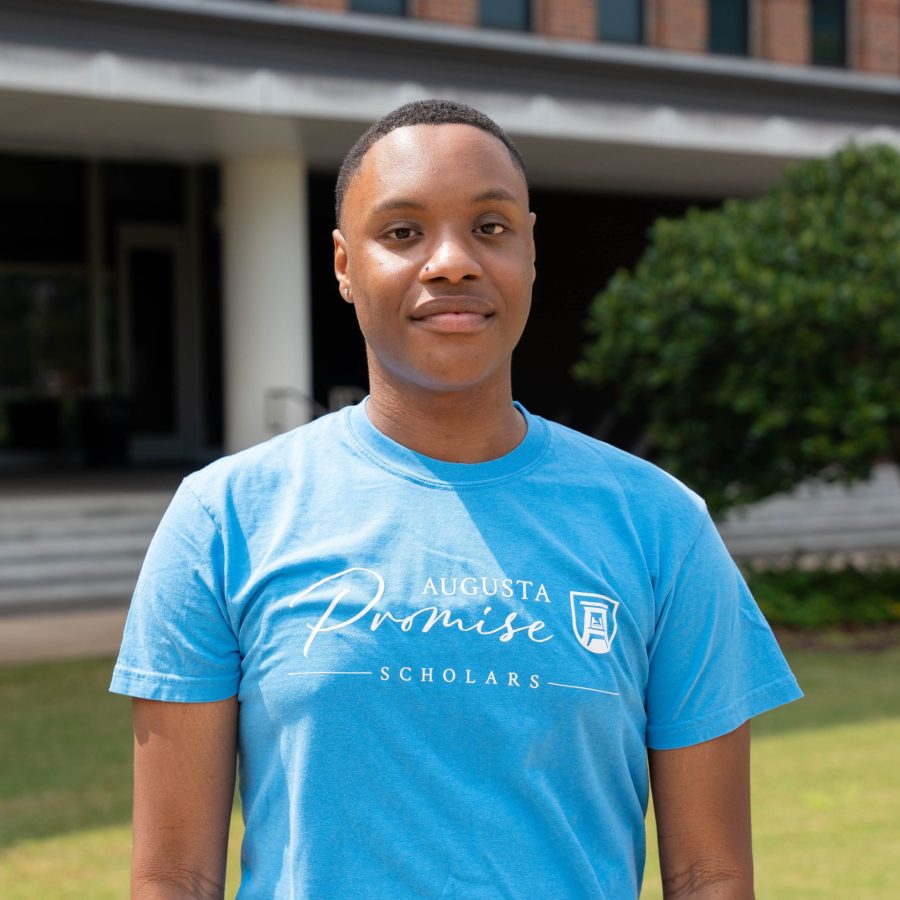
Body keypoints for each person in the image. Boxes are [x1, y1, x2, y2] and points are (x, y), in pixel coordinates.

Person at [111, 99, 802, 899]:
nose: (452, 262)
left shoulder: (660, 525)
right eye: (402, 232)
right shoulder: (223, 517)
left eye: (490, 227)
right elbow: (174, 875)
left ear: (530, 253)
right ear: (343, 265)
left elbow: (708, 873)